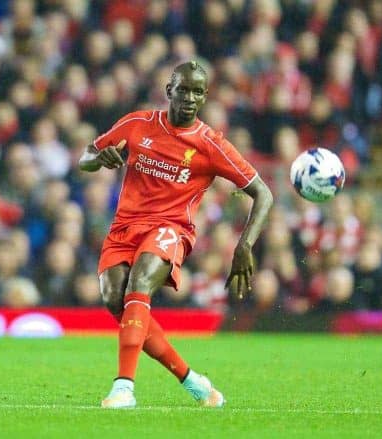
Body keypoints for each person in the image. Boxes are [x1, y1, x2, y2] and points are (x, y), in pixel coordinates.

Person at [79, 61, 273, 409]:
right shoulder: (137, 124)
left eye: (197, 91)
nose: (189, 97)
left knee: (139, 283)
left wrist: (244, 245)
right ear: (169, 90)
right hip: (124, 228)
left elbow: (263, 193)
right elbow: (86, 157)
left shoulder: (210, 144)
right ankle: (193, 381)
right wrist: (99, 160)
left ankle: (124, 387)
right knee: (115, 300)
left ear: (205, 97)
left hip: (170, 229)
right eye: (183, 89)